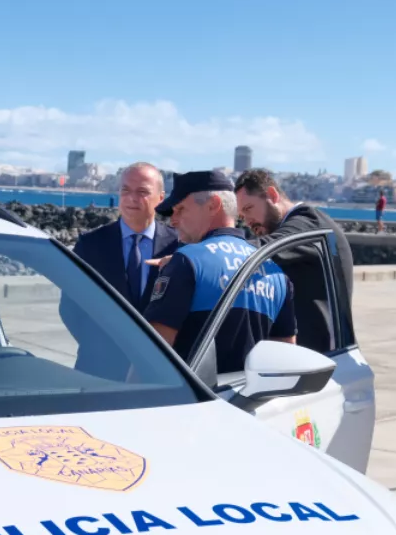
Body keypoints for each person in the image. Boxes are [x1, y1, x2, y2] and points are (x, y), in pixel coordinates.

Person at [143, 169, 296, 373]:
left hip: (195, 400)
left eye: (180, 209)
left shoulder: (187, 261)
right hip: (249, 400)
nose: (173, 220)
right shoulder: (275, 274)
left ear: (213, 205)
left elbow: (153, 354)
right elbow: (286, 362)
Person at [60, 162, 179, 379]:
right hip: (99, 370)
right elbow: (70, 307)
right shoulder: (90, 245)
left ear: (161, 198)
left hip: (162, 372)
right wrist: (100, 347)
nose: (132, 198)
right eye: (126, 190)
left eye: (142, 192)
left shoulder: (179, 246)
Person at [233, 168, 355, 352]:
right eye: (241, 216)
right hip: (313, 354)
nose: (247, 221)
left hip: (323, 358)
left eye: (249, 209)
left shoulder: (309, 221)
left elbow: (263, 248)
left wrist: (204, 255)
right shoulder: (301, 225)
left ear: (272, 195)